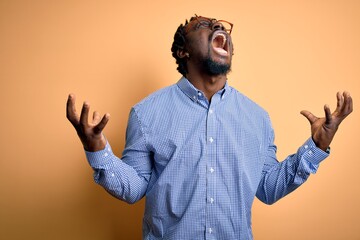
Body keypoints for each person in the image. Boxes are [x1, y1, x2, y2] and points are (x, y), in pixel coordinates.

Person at [66, 15, 353, 240]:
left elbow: (267, 188)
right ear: (183, 52)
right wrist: (97, 149)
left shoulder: (257, 118)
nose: (218, 26)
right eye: (203, 25)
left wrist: (317, 146)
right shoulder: (146, 113)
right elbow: (134, 188)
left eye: (221, 25)